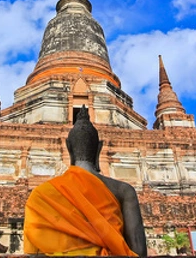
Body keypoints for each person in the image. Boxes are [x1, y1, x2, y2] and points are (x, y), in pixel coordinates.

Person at [23, 106, 147, 257]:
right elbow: (139, 252)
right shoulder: (124, 191)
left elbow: (33, 254)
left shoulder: (41, 195)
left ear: (68, 148)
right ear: (99, 148)